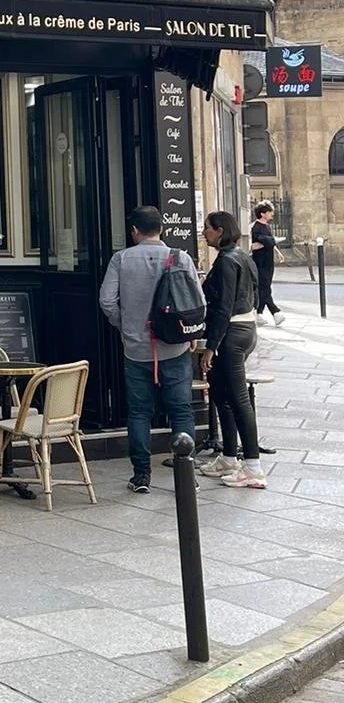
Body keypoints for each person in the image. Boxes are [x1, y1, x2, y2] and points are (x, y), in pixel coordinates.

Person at [99, 204, 201, 494]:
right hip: (174, 347)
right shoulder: (180, 257)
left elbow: (107, 300)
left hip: (136, 349)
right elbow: (198, 301)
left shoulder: (121, 259)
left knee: (139, 413)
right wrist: (189, 332)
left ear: (134, 230)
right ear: (162, 229)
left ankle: (141, 475)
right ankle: (187, 474)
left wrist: (126, 325)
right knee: (181, 411)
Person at [200, 211, 265, 487]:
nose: (203, 232)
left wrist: (210, 346)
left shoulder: (227, 260)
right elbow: (257, 294)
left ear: (219, 230)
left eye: (207, 228)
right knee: (220, 393)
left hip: (231, 333)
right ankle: (229, 457)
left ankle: (253, 466)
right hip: (245, 329)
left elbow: (224, 306)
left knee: (237, 398)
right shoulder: (242, 256)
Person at [250, 200, 285, 327]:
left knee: (265, 286)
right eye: (270, 212)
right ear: (262, 213)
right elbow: (255, 245)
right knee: (265, 287)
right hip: (260, 261)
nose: (272, 214)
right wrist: (269, 241)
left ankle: (258, 313)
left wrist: (277, 252)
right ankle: (275, 312)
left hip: (269, 261)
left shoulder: (267, 227)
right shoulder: (256, 227)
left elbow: (269, 243)